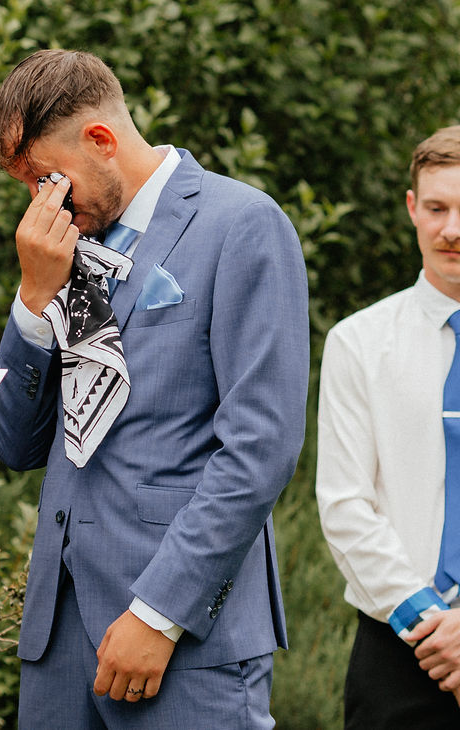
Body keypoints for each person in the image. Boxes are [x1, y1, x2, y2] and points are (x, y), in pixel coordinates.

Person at [0, 50, 309, 728]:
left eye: (47, 178)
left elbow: (260, 445)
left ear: (101, 141)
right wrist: (32, 298)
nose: (40, 203)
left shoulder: (241, 224)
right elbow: (15, 444)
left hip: (185, 637)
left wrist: (159, 614)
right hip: (59, 639)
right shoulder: (63, 245)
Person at [316, 125, 460, 728]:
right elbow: (345, 504)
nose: (453, 229)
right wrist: (434, 629)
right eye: (436, 208)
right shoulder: (359, 342)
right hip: (399, 653)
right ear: (411, 208)